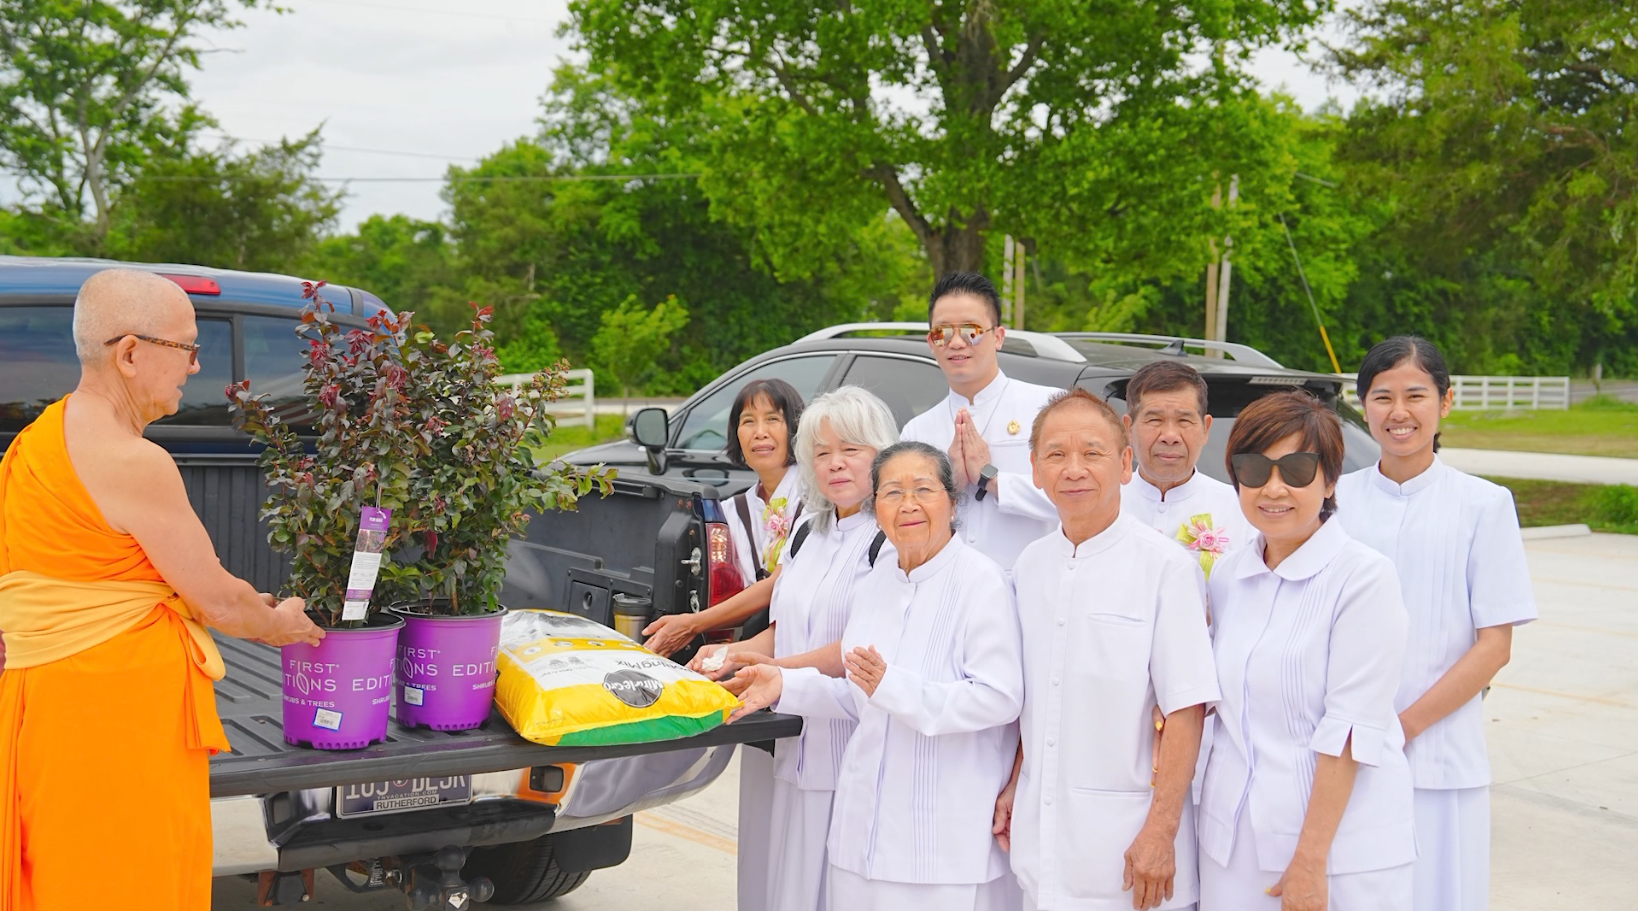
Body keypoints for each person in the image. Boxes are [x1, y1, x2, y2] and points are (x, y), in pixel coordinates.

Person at [0, 269, 324, 909]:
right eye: (187, 348)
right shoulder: (133, 461)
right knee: (124, 877)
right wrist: (279, 622)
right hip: (112, 718)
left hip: (44, 704)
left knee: (64, 869)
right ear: (129, 353)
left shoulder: (37, 442)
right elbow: (217, 601)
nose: (196, 367)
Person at [730, 441, 1024, 910]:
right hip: (860, 833)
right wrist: (784, 685)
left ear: (952, 502)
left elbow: (999, 698)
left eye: (923, 489)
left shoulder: (982, 583)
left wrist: (895, 688)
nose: (908, 505)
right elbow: (859, 695)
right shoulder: (877, 582)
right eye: (892, 492)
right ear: (876, 507)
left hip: (937, 845)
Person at [997, 389, 1218, 911]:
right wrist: (1013, 783)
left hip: (1131, 854)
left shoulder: (1165, 568)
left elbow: (1187, 710)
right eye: (1056, 454)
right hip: (1040, 845)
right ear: (1035, 468)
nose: (1073, 469)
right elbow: (1039, 696)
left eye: (1092, 453)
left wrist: (1161, 831)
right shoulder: (1030, 566)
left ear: (1124, 464)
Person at [1335, 337, 1535, 911]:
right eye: (1382, 397)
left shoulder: (1484, 505)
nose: (1398, 412)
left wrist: (1402, 728)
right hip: (1344, 754)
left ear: (1445, 401)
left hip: (1444, 761)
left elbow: (1494, 645)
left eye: (1415, 395)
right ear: (1363, 406)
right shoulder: (1334, 500)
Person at [1198, 390, 1415, 911]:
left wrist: (1310, 859)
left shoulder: (1363, 578)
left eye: (1296, 470)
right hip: (1233, 841)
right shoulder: (1228, 575)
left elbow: (1350, 730)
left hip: (1337, 850)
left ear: (1331, 480)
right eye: (1254, 469)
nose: (1273, 488)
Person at [694, 386, 900, 911]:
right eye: (822, 452)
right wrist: (733, 656)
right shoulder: (808, 530)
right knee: (780, 880)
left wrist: (772, 671)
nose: (835, 463)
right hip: (792, 734)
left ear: (881, 454)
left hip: (848, 741)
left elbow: (858, 649)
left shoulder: (890, 539)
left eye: (850, 449)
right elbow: (783, 625)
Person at [900, 272, 1058, 571]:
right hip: (948, 586)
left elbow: (1077, 500)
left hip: (1030, 584)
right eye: (942, 333)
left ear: (998, 337)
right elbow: (904, 520)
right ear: (931, 342)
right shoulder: (917, 431)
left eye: (971, 331)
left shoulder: (1048, 408)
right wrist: (950, 485)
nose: (956, 342)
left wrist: (991, 479)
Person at [643, 378, 805, 657]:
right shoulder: (731, 511)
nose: (760, 432)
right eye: (748, 421)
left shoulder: (816, 498)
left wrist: (692, 624)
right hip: (755, 646)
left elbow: (780, 583)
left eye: (772, 419)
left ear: (796, 427)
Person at [1119, 360, 1251, 579]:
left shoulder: (1241, 509)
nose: (1170, 436)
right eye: (1155, 420)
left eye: (1184, 420)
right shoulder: (1101, 503)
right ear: (1128, 428)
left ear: (1206, 429)